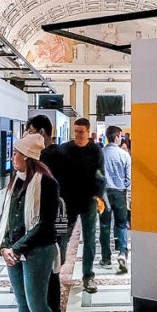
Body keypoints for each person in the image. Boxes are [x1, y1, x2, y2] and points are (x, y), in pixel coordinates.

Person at [0, 133, 66, 312]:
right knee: (23, 304)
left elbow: (46, 225)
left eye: (16, 153)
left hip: (38, 250)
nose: (12, 157)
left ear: (27, 158)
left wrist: (17, 248)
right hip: (14, 252)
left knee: (37, 303)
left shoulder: (47, 182)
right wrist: (5, 247)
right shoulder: (15, 182)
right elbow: (7, 219)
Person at [57, 118, 106, 293]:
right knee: (63, 237)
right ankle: (55, 272)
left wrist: (98, 196)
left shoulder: (95, 150)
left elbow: (100, 173)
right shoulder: (65, 149)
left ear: (88, 131)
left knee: (90, 239)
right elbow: (58, 174)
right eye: (76, 131)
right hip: (68, 201)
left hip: (88, 201)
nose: (77, 135)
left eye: (81, 132)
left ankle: (88, 276)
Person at [27, 115, 65, 312]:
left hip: (48, 219)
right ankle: (47, 308)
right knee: (51, 265)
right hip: (49, 219)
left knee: (50, 267)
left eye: (31, 132)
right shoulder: (54, 154)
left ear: (41, 132)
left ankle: (49, 311)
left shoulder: (48, 158)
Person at [100, 126, 132, 273]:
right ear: (117, 137)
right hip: (120, 193)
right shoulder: (124, 155)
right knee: (121, 224)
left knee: (105, 225)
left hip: (104, 193)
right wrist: (124, 187)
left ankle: (106, 258)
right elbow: (128, 178)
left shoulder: (100, 154)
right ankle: (122, 252)